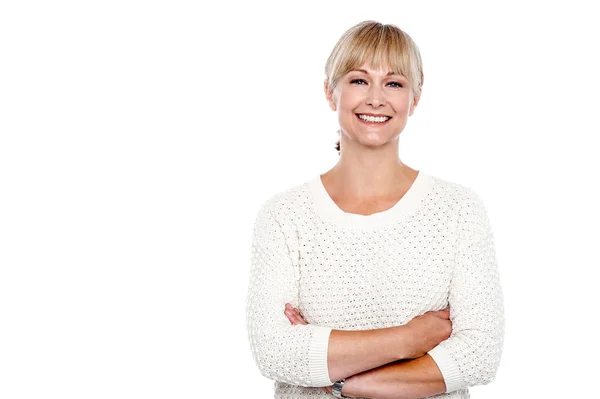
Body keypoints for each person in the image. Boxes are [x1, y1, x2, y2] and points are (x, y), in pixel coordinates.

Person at [245, 20, 504, 399]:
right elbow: (274, 352)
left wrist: (335, 378)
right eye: (359, 80)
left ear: (414, 100)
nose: (376, 98)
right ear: (330, 93)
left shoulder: (458, 210)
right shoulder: (284, 216)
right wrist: (411, 339)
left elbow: (479, 355)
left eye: (394, 83)